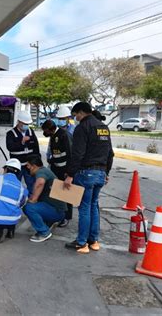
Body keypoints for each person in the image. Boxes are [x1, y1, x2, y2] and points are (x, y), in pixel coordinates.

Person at [63, 102, 114, 254]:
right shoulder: (103, 128)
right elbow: (110, 153)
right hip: (100, 173)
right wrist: (106, 172)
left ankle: (81, 243)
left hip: (86, 173)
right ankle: (94, 241)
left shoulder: (82, 127)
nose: (76, 118)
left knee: (84, 208)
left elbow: (77, 154)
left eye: (76, 115)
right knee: (94, 206)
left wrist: (70, 174)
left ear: (82, 112)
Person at [23, 155, 66, 243]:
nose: (27, 168)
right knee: (33, 204)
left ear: (34, 166)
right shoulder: (44, 171)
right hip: (56, 209)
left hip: (57, 211)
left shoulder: (41, 172)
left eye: (28, 165)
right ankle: (48, 223)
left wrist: (33, 199)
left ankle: (44, 232)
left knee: (28, 207)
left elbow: (40, 183)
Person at [41, 119, 72, 227]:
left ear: (52, 129)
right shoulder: (53, 136)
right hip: (56, 169)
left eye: (46, 131)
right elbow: (55, 154)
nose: (45, 133)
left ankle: (67, 217)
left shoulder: (64, 135)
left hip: (65, 170)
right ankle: (58, 216)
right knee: (56, 193)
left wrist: (69, 172)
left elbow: (70, 154)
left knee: (66, 195)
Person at [6, 111, 40, 193]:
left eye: (27, 124)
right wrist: (22, 142)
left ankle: (31, 201)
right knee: (15, 185)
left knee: (31, 184)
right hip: (17, 166)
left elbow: (36, 147)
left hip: (29, 165)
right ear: (19, 122)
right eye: (24, 123)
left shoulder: (31, 132)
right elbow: (10, 147)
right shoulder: (11, 133)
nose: (26, 126)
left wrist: (37, 162)